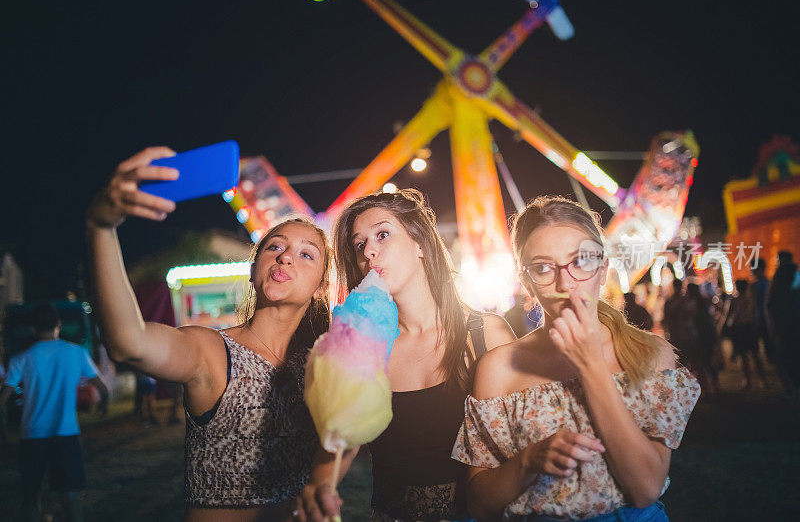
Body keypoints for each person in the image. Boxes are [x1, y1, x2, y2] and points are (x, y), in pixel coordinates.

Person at [86, 147, 331, 521]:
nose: (285, 257)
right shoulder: (210, 349)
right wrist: (100, 228)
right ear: (253, 270)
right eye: (275, 247)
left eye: (306, 254)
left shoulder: (321, 366)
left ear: (320, 286)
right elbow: (127, 343)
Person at [451, 196, 700, 521]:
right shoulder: (499, 368)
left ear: (603, 268)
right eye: (543, 268)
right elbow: (479, 504)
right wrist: (527, 461)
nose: (566, 283)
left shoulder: (650, 354)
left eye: (581, 261)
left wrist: (591, 366)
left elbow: (646, 488)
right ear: (526, 282)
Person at [297, 189, 516, 522]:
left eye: (382, 235)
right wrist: (321, 486)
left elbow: (518, 444)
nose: (369, 251)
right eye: (359, 245)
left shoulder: (486, 335)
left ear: (420, 244)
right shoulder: (368, 346)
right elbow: (344, 435)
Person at [0, 303, 109, 522]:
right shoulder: (76, 352)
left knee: (31, 496)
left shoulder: (22, 358)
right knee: (70, 496)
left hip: (32, 434)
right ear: (59, 324)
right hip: (66, 433)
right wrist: (103, 406)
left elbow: (3, 399)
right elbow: (103, 388)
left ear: (32, 327)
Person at [767, 250, 800, 395]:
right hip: (794, 321)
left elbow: (771, 303)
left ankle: (791, 388)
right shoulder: (796, 274)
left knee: (786, 356)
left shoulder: (779, 276)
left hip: (783, 324)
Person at [724, 279, 767, 389]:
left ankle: (747, 380)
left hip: (739, 329)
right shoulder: (750, 300)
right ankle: (763, 380)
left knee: (743, 356)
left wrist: (722, 329)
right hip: (750, 327)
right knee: (755, 355)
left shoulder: (733, 300)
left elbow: (727, 315)